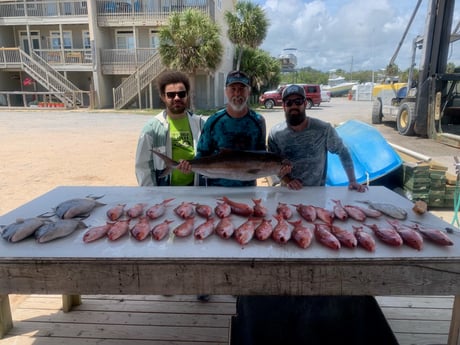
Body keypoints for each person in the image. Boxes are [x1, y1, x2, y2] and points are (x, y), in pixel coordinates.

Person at [268, 84, 367, 192]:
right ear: (283, 106)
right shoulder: (275, 133)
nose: (294, 106)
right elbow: (272, 165)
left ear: (305, 103)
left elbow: (342, 151)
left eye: (298, 101)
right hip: (287, 193)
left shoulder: (323, 129)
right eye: (289, 103)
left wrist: (352, 181)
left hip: (317, 193)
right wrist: (288, 180)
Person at [195, 70, 267, 187]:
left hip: (248, 190)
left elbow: (261, 154)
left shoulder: (258, 121)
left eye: (241, 89)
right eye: (233, 89)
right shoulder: (213, 121)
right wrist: (188, 166)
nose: (237, 93)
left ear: (248, 92)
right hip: (217, 190)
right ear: (225, 92)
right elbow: (201, 154)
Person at [135, 70, 204, 187]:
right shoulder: (151, 129)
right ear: (163, 97)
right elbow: (142, 166)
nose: (177, 98)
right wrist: (151, 195)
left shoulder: (201, 124)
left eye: (181, 94)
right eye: (171, 95)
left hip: (196, 190)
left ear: (187, 95)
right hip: (165, 192)